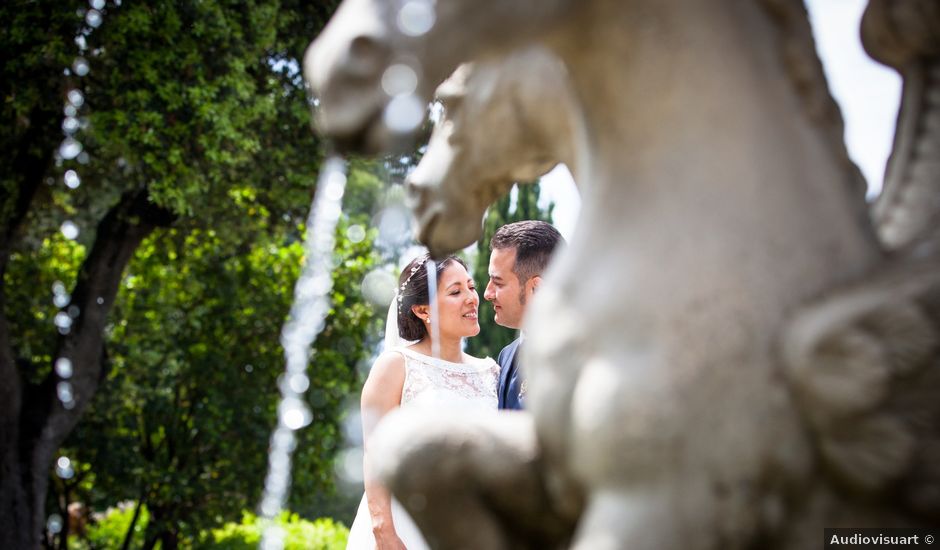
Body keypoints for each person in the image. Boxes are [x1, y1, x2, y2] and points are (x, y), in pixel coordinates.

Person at [346, 253, 500, 550]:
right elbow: (374, 452)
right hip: (406, 524)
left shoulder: (492, 371)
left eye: (471, 286)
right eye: (456, 292)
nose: (471, 298)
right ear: (422, 309)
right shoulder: (396, 365)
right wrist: (383, 531)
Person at [484, 220, 564, 410]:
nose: (487, 293)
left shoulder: (586, 351)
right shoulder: (506, 356)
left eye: (498, 282)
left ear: (536, 288)